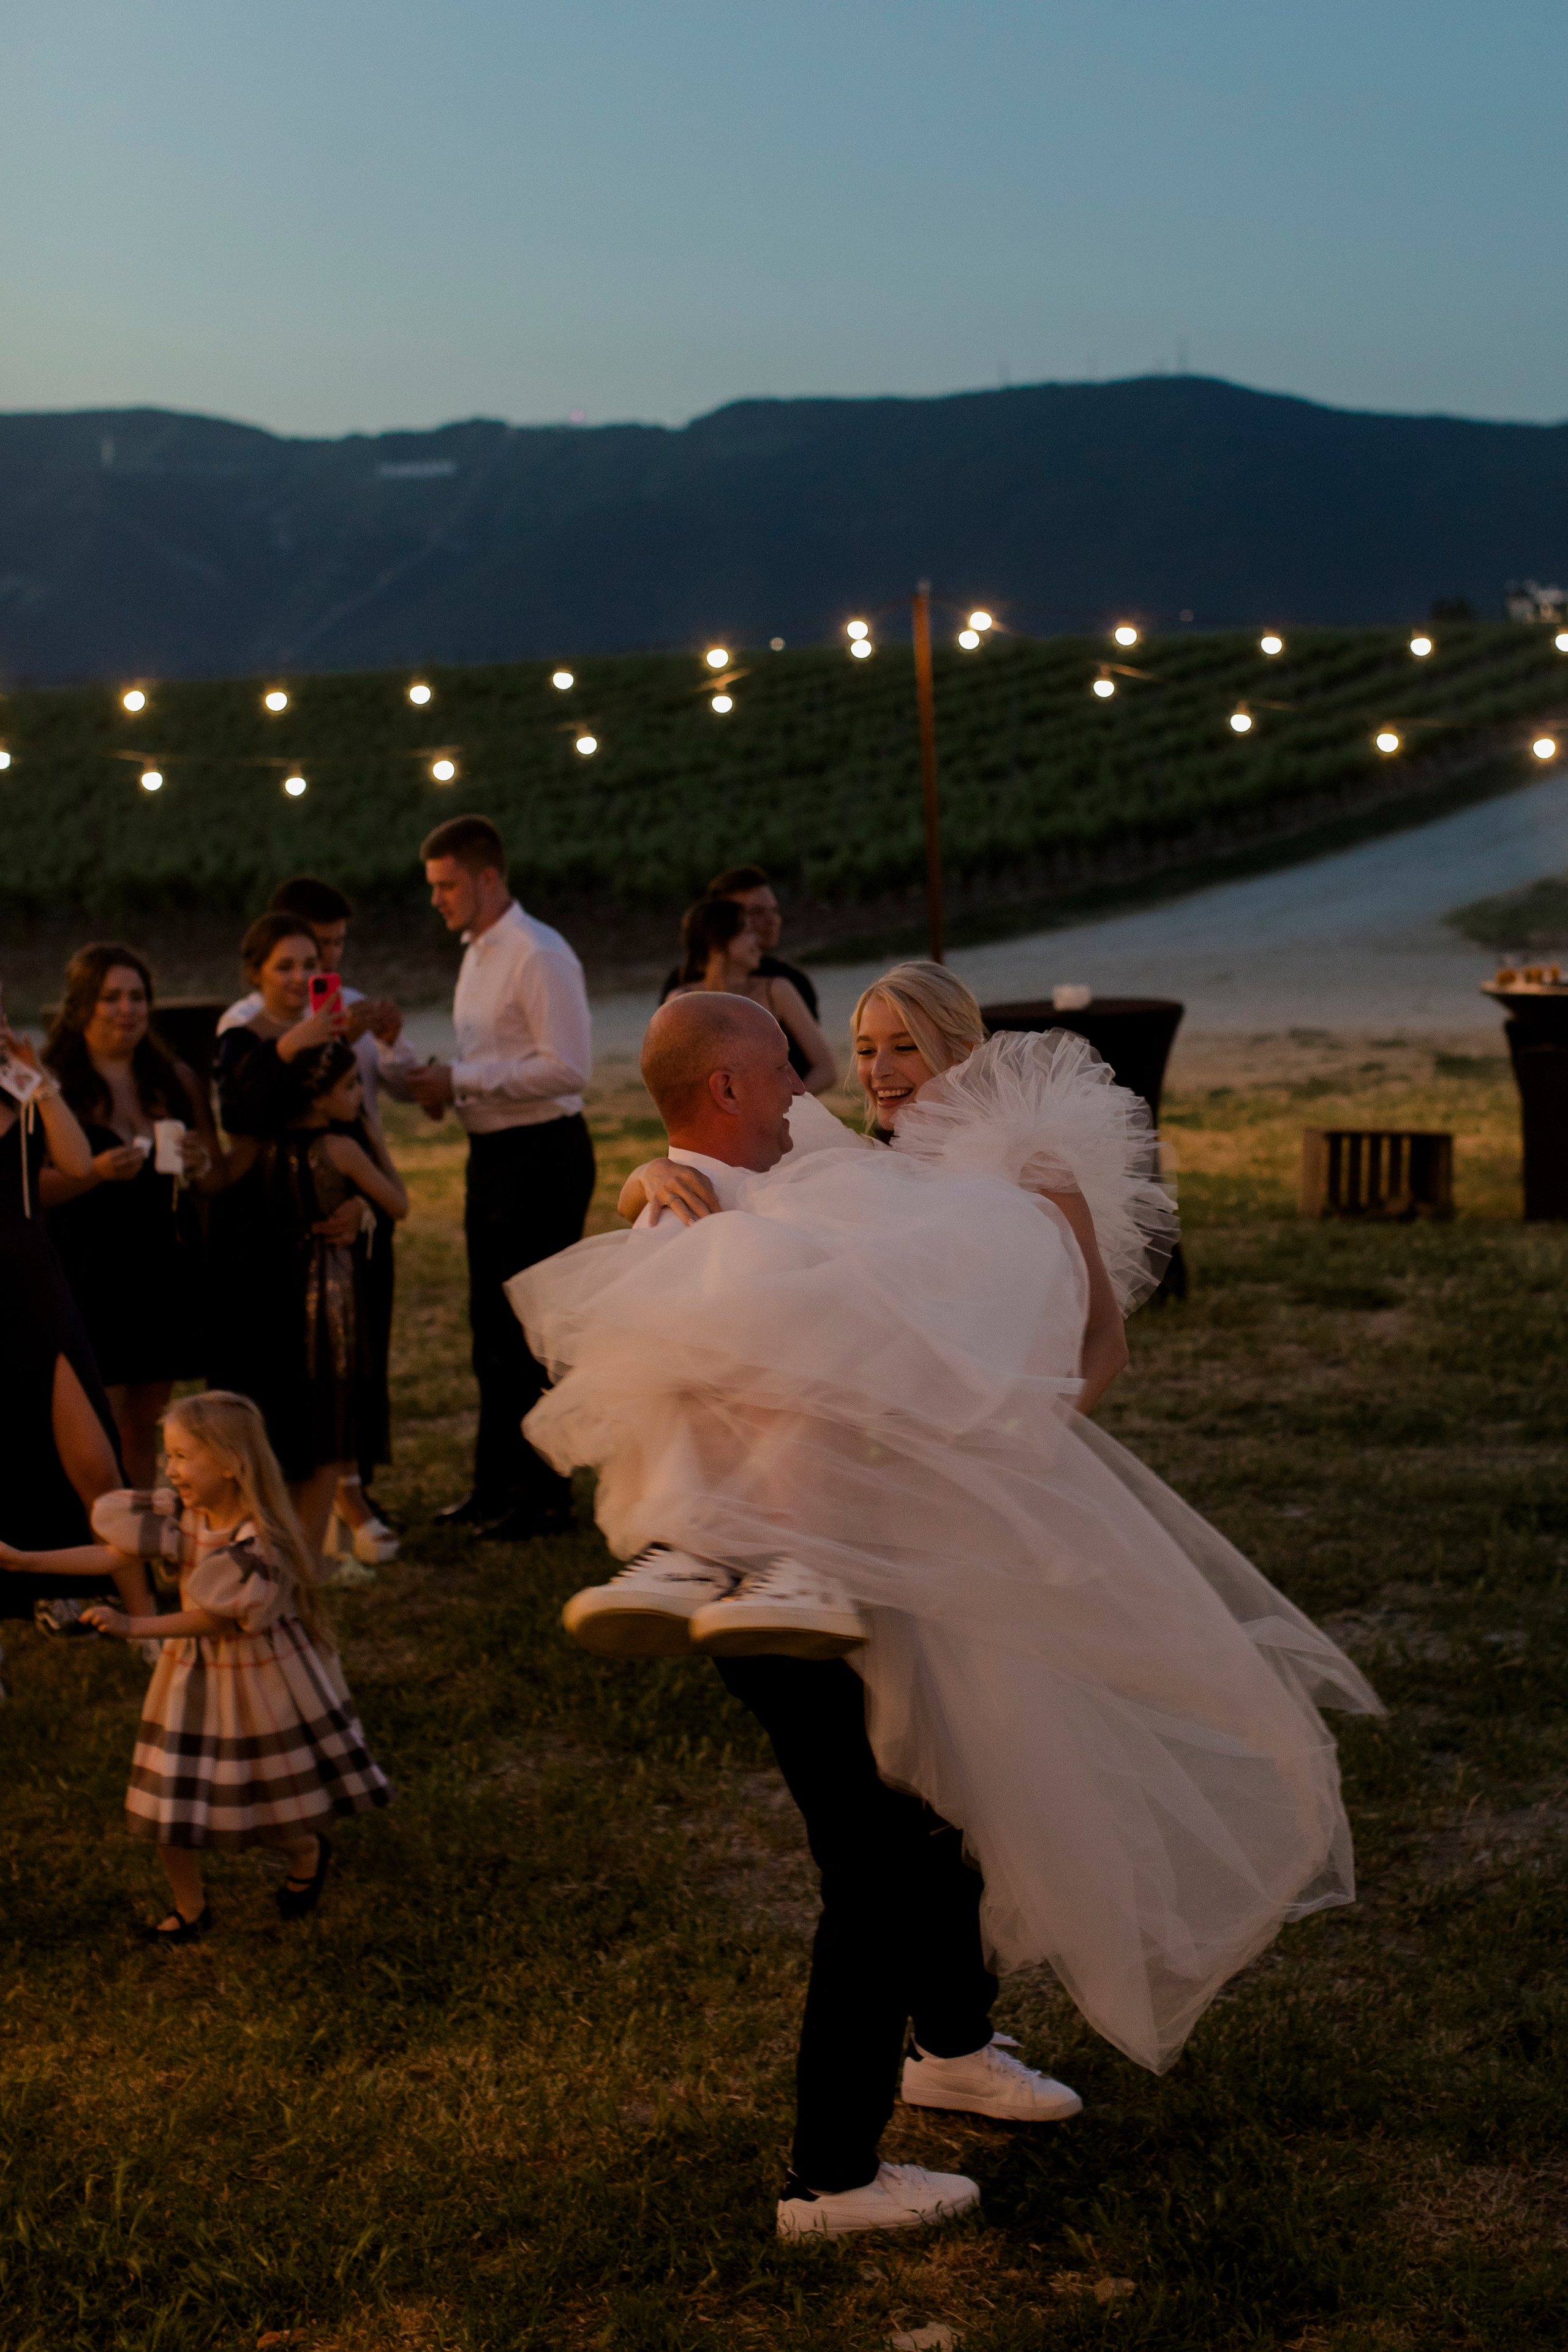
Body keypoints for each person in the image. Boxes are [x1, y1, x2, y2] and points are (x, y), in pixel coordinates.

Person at [511, 989, 1379, 2238]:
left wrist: (996, 1461)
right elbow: (732, 1197)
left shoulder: (983, 1180)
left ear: (959, 1053)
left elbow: (1087, 1348)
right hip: (816, 1551)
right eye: (853, 1051)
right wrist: (654, 1166)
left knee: (948, 1794)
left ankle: (952, 2046)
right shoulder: (848, 1172)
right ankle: (830, 2174)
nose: (860, 1075)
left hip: (921, 1539)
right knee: (882, 1848)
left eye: (895, 1048)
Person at [72, 1391, 388, 1940]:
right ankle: (190, 1908)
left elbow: (218, 1621)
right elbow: (114, 1555)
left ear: (230, 1464)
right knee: (166, 1801)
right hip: (188, 1677)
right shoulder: (179, 1514)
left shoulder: (260, 1542)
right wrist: (20, 1559)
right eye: (168, 1456)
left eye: (181, 1457)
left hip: (255, 1678)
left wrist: (134, 1625)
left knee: (266, 1804)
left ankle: (306, 1851)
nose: (169, 1470)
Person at [404, 815, 595, 1543]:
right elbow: (489, 1061)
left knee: (533, 1332)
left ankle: (547, 1497)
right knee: (489, 1328)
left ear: (489, 877)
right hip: (491, 1157)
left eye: (447, 885)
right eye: (433, 887)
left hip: (543, 1156)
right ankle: (496, 1483)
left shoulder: (539, 953)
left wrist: (461, 1079)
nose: (437, 899)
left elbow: (569, 1066)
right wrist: (439, 1081)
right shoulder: (477, 953)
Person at [218, 897, 407, 1564]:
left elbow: (354, 1129)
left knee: (329, 1399)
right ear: (256, 973)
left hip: (330, 1248)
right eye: (285, 965)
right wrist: (295, 1039)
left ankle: (316, 1541)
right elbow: (242, 1109)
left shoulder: (334, 1044)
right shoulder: (241, 1039)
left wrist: (363, 1204)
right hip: (260, 1248)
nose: (302, 976)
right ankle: (265, 1542)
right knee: (269, 1401)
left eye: (310, 963)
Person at [41, 943, 226, 1487]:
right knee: (96, 1416)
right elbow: (29, 1190)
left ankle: (141, 1532)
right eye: (111, 998)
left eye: (138, 997)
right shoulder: (53, 1087)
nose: (127, 1010)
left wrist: (197, 1162)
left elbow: (214, 1179)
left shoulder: (176, 1079)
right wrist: (94, 1171)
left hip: (162, 1263)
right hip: (88, 1268)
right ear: (81, 1009)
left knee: (146, 1421)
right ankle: (96, 1537)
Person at [0, 1001, 125, 1625]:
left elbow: (77, 1165)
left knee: (94, 1460)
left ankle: (138, 1609)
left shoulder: (20, 1087)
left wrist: (39, 1080)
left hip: (35, 1292)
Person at [658, 864, 824, 1084]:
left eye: (774, 911)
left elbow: (818, 1067)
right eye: (755, 913)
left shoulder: (787, 983)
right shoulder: (681, 990)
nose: (773, 920)